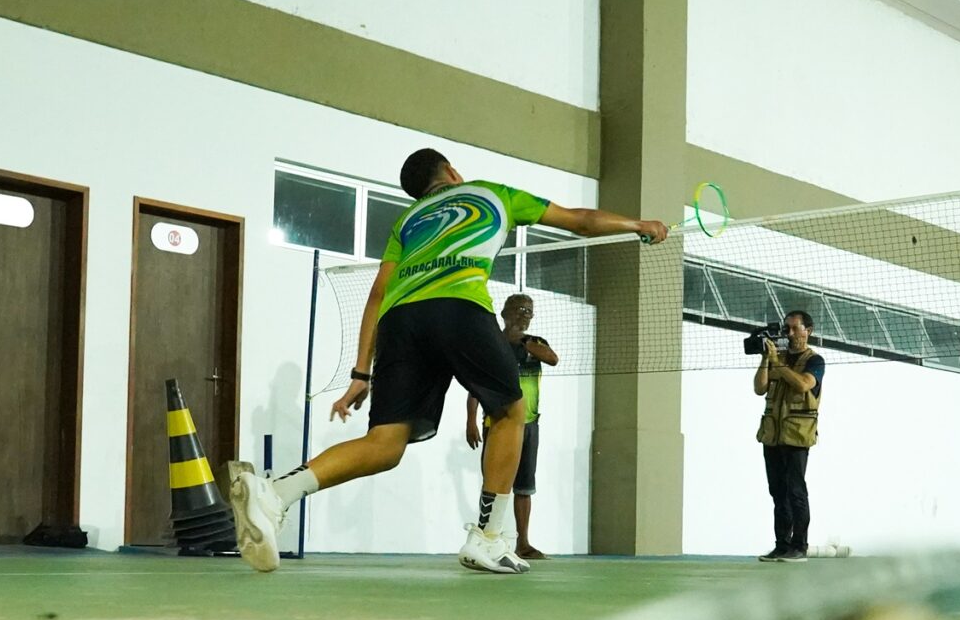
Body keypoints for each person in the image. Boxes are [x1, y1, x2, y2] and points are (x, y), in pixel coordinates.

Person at [226, 149, 665, 575]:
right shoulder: (493, 193)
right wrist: (639, 224)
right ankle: (489, 539)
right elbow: (581, 220)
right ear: (452, 172)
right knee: (512, 411)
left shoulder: (408, 220)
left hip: (401, 320)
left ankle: (275, 492)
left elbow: (378, 293)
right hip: (459, 306)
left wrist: (361, 372)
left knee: (384, 443)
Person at [464, 293, 557, 561]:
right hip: (496, 423)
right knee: (493, 483)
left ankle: (523, 543)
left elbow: (552, 358)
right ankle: (487, 536)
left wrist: (524, 340)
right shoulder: (492, 345)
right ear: (504, 313)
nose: (524, 314)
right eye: (519, 310)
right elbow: (474, 386)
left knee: (525, 486)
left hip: (529, 425)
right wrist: (471, 420)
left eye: (529, 311)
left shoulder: (535, 343)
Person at [753, 310, 825, 561]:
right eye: (787, 329)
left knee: (796, 491)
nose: (790, 333)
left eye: (795, 328)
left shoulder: (815, 361)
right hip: (773, 434)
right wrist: (766, 359)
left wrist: (779, 364)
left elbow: (804, 384)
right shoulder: (777, 358)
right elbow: (759, 388)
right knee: (778, 492)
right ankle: (781, 545)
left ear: (809, 331)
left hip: (796, 436)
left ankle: (799, 546)